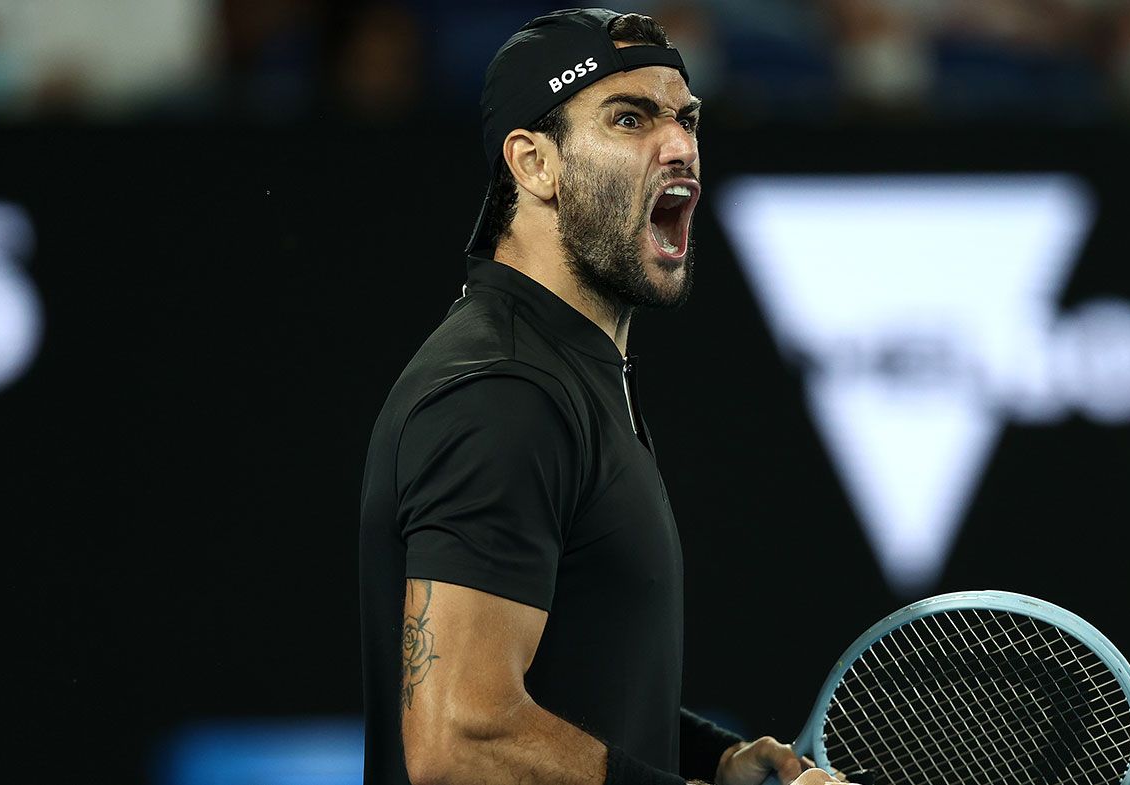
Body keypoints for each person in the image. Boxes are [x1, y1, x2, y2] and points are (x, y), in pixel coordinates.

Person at [359, 9, 847, 785]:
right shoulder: (507, 392)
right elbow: (460, 741)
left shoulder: (571, 370)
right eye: (629, 118)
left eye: (687, 118)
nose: (681, 145)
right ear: (535, 164)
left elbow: (578, 688)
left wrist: (711, 758)